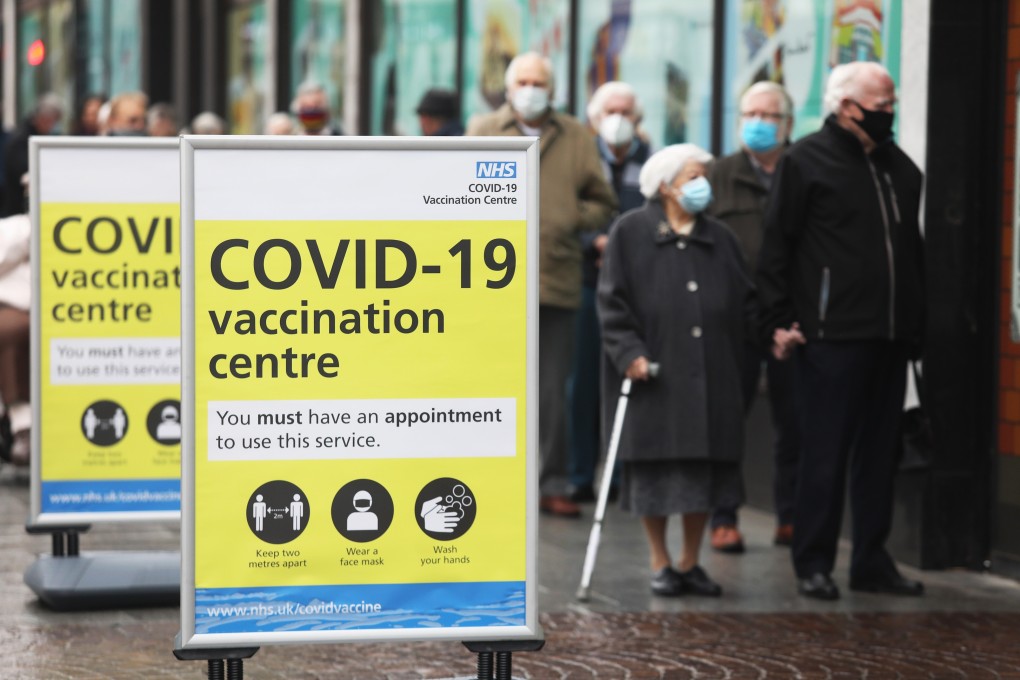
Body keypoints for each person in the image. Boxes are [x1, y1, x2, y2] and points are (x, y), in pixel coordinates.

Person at [757, 61, 926, 600]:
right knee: (824, 451)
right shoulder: (806, 160)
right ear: (846, 107)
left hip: (890, 334)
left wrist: (917, 326)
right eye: (881, 107)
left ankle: (873, 560)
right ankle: (814, 561)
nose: (890, 114)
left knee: (880, 454)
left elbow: (912, 254)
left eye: (893, 105)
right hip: (830, 336)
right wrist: (778, 321)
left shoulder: (902, 169)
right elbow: (776, 247)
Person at [598, 144, 754, 597]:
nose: (702, 183)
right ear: (665, 185)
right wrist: (629, 353)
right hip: (654, 374)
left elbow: (745, 301)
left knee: (702, 474)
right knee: (657, 473)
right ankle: (660, 559)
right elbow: (611, 303)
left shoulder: (721, 237)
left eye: (703, 174)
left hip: (711, 374)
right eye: (692, 176)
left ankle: (689, 561)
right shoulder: (630, 231)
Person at [466, 52, 617, 518]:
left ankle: (551, 483)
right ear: (509, 89)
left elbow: (602, 201)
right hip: (490, 287)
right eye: (524, 81)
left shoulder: (574, 136)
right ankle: (488, 483)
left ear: (552, 89)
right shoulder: (484, 131)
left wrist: (572, 217)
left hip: (556, 280)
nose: (531, 89)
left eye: (539, 82)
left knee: (552, 392)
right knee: (488, 388)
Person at [706, 80, 798, 553]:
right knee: (728, 422)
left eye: (770, 116)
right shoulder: (717, 175)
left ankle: (792, 517)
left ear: (788, 125)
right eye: (751, 114)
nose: (759, 123)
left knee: (794, 423)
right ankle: (723, 517)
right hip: (732, 322)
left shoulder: (803, 171)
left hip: (788, 321)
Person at [568, 81, 650, 504]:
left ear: (638, 120)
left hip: (634, 291)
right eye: (609, 111)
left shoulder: (651, 164)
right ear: (594, 119)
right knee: (580, 384)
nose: (618, 120)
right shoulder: (580, 160)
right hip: (585, 283)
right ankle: (579, 474)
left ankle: (620, 477)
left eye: (626, 111)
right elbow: (565, 211)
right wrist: (595, 243)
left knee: (625, 382)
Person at [3, 92, 62, 216]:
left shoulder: (39, 137)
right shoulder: (20, 141)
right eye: (51, 121)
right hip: (17, 211)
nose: (52, 127)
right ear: (43, 118)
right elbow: (24, 173)